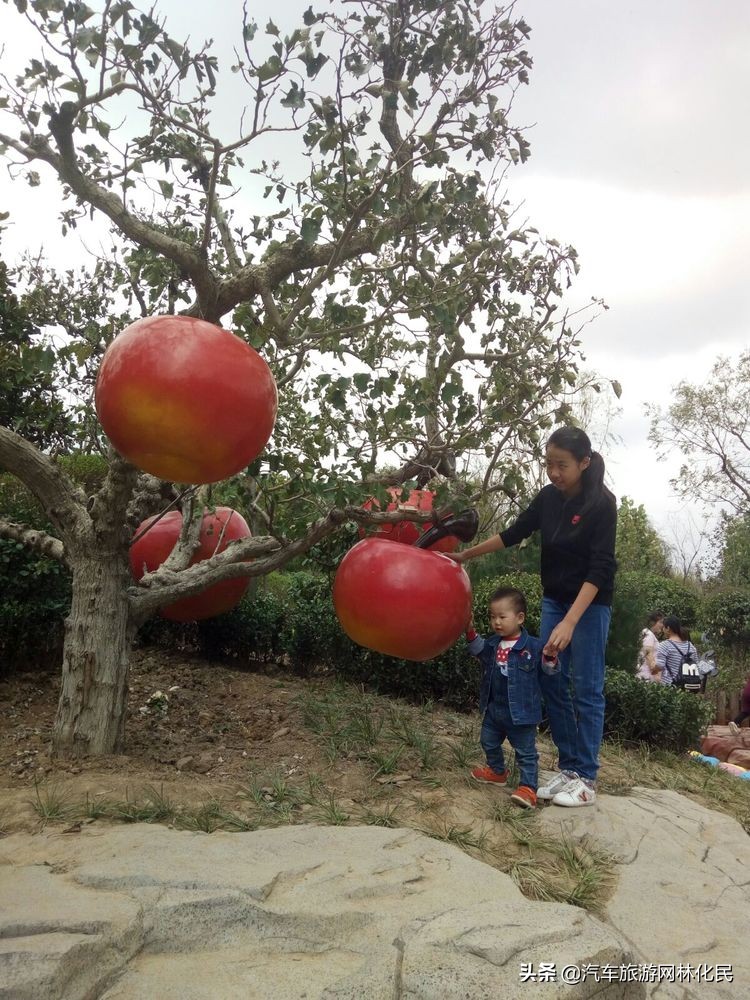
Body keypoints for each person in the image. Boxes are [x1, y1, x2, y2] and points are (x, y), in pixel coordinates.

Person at [449, 426, 616, 808]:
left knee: (587, 690)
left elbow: (600, 568)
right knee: (554, 684)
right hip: (556, 600)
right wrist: (464, 556)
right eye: (549, 464)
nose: (554, 472)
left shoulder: (602, 504)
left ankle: (587, 777)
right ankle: (570, 768)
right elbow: (513, 533)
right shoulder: (548, 499)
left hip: (589, 607)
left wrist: (571, 621)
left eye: (562, 465)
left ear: (584, 463)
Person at [464, 586, 557, 810]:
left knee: (525, 753)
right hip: (495, 709)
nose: (496, 622)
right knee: (488, 741)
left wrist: (551, 658)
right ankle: (497, 771)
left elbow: (549, 671)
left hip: (522, 714)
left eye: (502, 617)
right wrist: (469, 629)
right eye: (492, 617)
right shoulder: (494, 644)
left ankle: (528, 789)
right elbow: (479, 652)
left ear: (520, 617)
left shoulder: (534, 647)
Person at [656, 616, 698, 686]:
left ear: (668, 628)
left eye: (664, 627)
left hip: (670, 688)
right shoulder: (690, 646)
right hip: (688, 687)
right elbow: (696, 665)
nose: (663, 630)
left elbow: (659, 666)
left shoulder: (664, 645)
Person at [636, 611, 664, 682]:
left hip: (644, 674)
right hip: (646, 676)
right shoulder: (649, 634)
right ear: (652, 622)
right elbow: (648, 654)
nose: (662, 625)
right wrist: (656, 674)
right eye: (660, 622)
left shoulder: (646, 633)